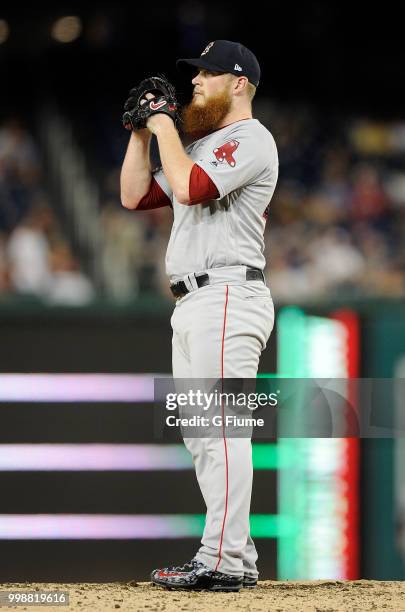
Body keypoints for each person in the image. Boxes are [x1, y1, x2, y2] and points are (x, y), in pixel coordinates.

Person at [120, 40, 278, 592]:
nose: (194, 83)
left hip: (229, 295)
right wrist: (143, 132)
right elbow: (135, 196)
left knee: (222, 428)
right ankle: (237, 555)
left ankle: (222, 558)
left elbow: (190, 187)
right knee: (202, 434)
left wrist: (164, 126)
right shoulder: (208, 144)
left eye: (207, 74)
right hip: (194, 302)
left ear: (238, 83)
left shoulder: (251, 138)